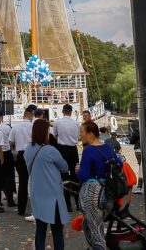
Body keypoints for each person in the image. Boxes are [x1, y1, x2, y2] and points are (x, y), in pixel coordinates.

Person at [26, 119, 70, 250]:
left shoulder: (28, 149)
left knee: (40, 231)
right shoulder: (50, 150)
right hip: (52, 197)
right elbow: (64, 166)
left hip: (37, 194)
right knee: (57, 231)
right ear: (45, 132)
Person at [77, 121, 120, 250]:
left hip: (93, 194)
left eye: (82, 132)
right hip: (108, 193)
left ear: (90, 134)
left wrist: (77, 171)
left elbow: (83, 175)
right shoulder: (107, 147)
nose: (80, 135)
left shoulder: (88, 150)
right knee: (98, 227)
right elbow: (119, 164)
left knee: (96, 234)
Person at [52, 104, 80, 211]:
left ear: (63, 112)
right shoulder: (76, 123)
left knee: (64, 177)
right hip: (73, 149)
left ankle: (67, 205)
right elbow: (78, 136)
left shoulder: (57, 122)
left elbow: (55, 135)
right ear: (71, 112)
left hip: (62, 150)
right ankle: (78, 203)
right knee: (75, 175)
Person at [9, 107, 35, 216]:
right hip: (32, 154)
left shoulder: (16, 127)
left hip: (20, 155)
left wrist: (17, 144)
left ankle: (21, 209)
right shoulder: (33, 126)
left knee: (22, 182)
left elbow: (10, 142)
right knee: (34, 182)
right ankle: (36, 208)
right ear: (31, 116)